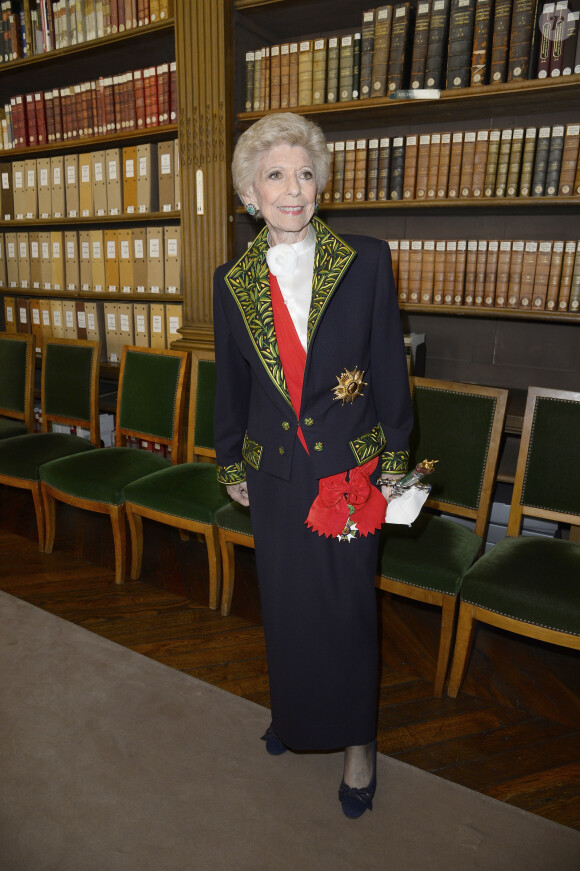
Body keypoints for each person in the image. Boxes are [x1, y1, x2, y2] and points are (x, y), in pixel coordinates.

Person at [213, 112, 413, 819]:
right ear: (249, 194)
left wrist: (398, 458)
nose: (291, 189)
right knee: (288, 608)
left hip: (351, 475)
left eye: (303, 173)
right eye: (274, 175)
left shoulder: (366, 259)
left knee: (348, 613)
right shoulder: (232, 279)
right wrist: (227, 459)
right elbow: (230, 385)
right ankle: (294, 717)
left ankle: (359, 744)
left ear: (320, 184)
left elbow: (390, 365)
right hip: (273, 476)